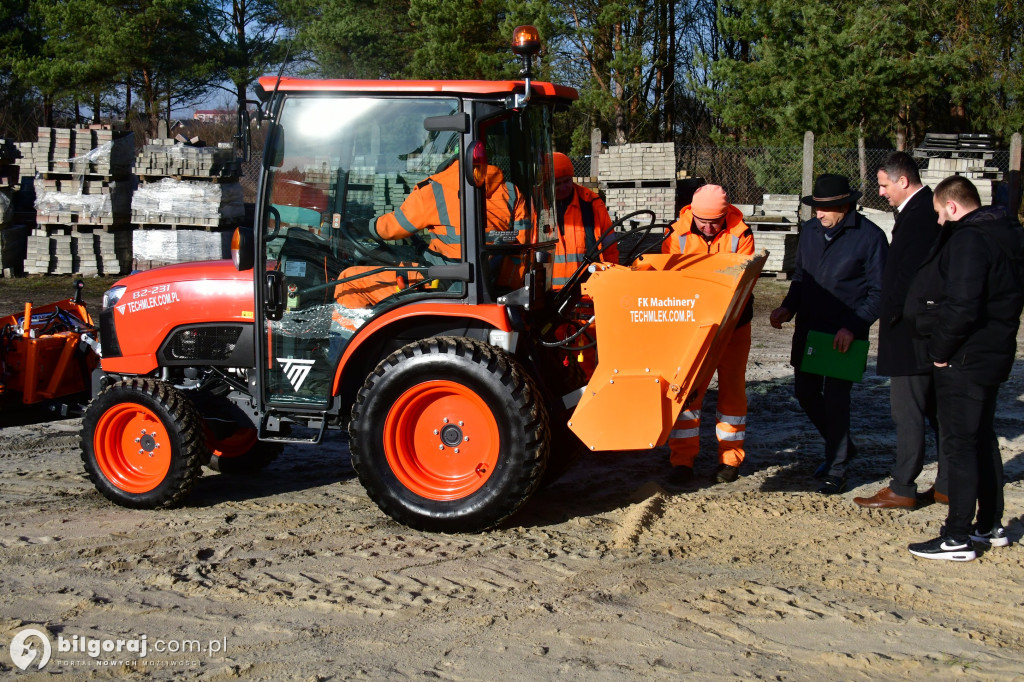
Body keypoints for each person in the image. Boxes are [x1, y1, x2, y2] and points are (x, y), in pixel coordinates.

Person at [905, 176, 1024, 561]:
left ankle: (956, 535)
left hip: (965, 357)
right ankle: (989, 524)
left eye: (940, 214)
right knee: (981, 437)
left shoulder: (969, 239)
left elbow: (963, 304)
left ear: (952, 206)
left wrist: (940, 350)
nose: (940, 222)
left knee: (958, 444)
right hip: (993, 352)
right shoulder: (1006, 232)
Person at [769, 174, 887, 494]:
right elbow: (801, 278)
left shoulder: (870, 237)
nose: (818, 214)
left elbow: (880, 292)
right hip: (810, 329)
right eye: (816, 208)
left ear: (845, 207)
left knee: (836, 400)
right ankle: (843, 445)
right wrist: (787, 307)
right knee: (805, 393)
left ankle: (837, 468)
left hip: (845, 333)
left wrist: (855, 326)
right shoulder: (809, 231)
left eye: (824, 208)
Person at [854, 152, 945, 509]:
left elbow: (910, 278)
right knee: (935, 410)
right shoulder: (924, 210)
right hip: (923, 331)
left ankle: (903, 486)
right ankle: (947, 485)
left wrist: (893, 316)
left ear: (902, 181)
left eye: (883, 185)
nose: (880, 192)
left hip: (911, 334)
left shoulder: (920, 215)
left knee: (907, 413)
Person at [664, 184, 755, 484]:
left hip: (733, 325)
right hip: (692, 327)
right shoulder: (675, 234)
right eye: (702, 221)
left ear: (725, 215)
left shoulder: (741, 234)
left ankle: (730, 460)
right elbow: (670, 280)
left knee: (732, 392)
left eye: (715, 222)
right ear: (693, 213)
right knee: (687, 392)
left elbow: (743, 282)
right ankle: (681, 461)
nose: (708, 227)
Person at [551, 152, 618, 288]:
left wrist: (612, 281)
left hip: (587, 288)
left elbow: (610, 247)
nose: (563, 187)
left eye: (567, 181)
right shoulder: (536, 206)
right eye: (557, 183)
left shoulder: (591, 203)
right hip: (549, 292)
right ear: (548, 183)